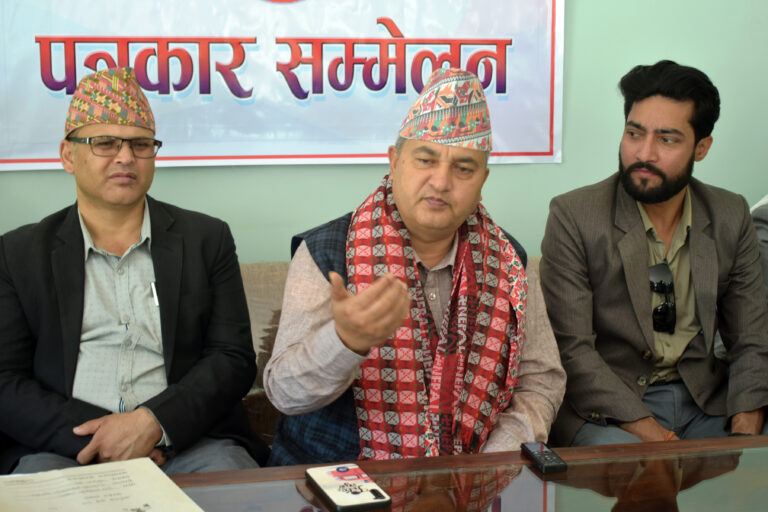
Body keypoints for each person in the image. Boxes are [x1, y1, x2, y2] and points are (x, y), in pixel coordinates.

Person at [264, 68, 565, 465]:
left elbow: (541, 380)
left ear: (483, 179)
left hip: (474, 479)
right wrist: (344, 341)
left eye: (463, 168)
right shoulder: (326, 253)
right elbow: (284, 394)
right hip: (339, 479)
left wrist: (486, 465)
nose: (440, 181)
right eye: (425, 159)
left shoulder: (509, 262)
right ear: (394, 162)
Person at [0, 67, 268, 474]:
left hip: (187, 444)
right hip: (63, 448)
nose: (125, 157)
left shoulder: (206, 239)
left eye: (140, 144)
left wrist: (153, 425)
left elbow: (232, 358)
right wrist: (107, 440)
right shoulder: (18, 253)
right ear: (68, 155)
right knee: (33, 488)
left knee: (233, 481)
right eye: (105, 143)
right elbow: (5, 380)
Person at [540, 60, 768, 447]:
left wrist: (745, 441)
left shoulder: (730, 215)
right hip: (611, 410)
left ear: (701, 148)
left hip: (706, 403)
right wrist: (659, 440)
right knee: (640, 469)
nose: (644, 153)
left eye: (667, 140)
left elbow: (752, 339)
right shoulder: (575, 216)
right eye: (634, 133)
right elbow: (572, 351)